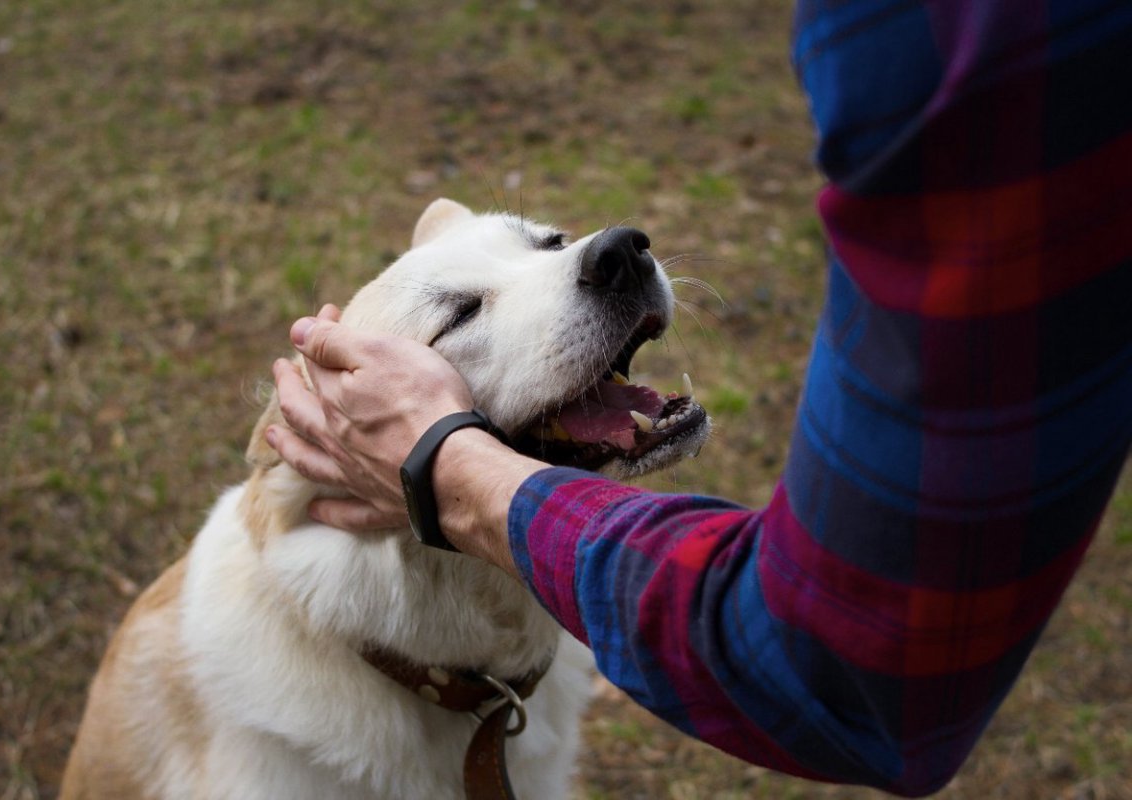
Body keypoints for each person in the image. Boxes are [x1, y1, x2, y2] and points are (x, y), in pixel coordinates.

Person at [266, 2, 1132, 796]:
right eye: (461, 311)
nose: (593, 256)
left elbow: (829, 659)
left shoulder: (936, 40)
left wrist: (450, 468)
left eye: (549, 243)